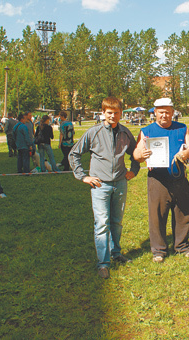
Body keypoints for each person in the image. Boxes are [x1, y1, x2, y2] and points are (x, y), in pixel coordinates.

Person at [69, 97, 140, 279]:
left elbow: (136, 154)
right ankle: (103, 263)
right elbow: (74, 154)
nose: (113, 116)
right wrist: (83, 176)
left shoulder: (125, 133)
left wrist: (134, 170)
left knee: (116, 221)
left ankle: (116, 253)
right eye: (109, 112)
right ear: (103, 113)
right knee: (102, 223)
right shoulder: (93, 132)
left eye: (116, 113)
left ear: (121, 113)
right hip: (99, 185)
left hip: (120, 183)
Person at [133, 97, 189, 263]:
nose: (164, 115)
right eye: (161, 112)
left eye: (168, 112)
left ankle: (182, 246)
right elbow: (136, 154)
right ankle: (159, 250)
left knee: (183, 213)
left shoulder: (182, 128)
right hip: (158, 180)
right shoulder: (146, 131)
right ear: (155, 112)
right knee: (157, 215)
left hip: (179, 178)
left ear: (172, 112)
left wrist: (185, 153)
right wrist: (142, 155)